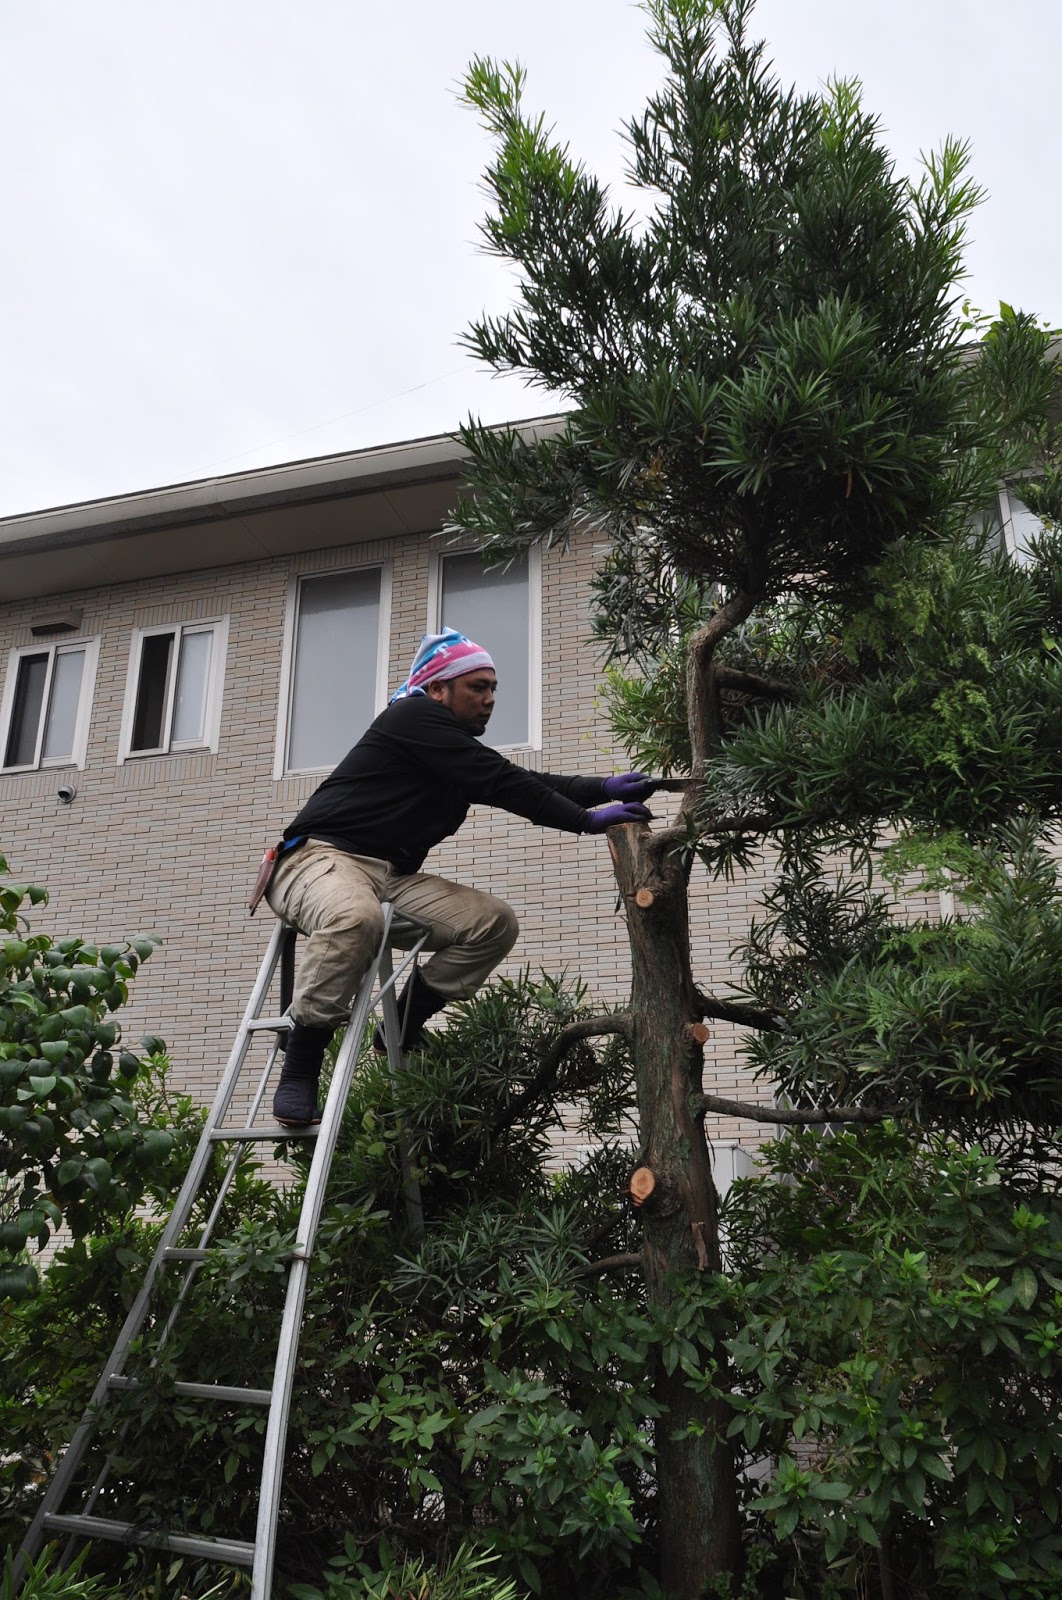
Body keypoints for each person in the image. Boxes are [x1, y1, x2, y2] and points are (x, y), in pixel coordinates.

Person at [266, 627, 655, 1125]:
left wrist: (602, 788)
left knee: (492, 923)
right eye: (477, 687)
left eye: (493, 688)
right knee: (356, 917)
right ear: (437, 689)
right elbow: (501, 780)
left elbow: (521, 780)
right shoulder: (411, 717)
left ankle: (401, 1025)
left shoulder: (449, 754)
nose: (489, 699)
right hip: (317, 860)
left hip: (390, 877)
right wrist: (584, 821)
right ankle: (300, 1068)